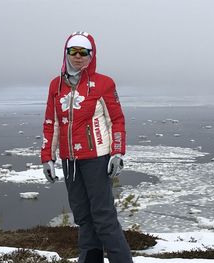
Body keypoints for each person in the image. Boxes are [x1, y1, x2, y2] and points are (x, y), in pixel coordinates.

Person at [41, 31, 133, 263]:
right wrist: (47, 157)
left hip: (97, 159)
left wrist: (117, 153)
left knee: (103, 216)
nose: (78, 56)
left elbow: (117, 120)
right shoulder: (56, 85)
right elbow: (51, 122)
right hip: (70, 161)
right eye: (74, 51)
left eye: (84, 52)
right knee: (82, 216)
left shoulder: (103, 83)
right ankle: (90, 258)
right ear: (66, 53)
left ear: (92, 55)